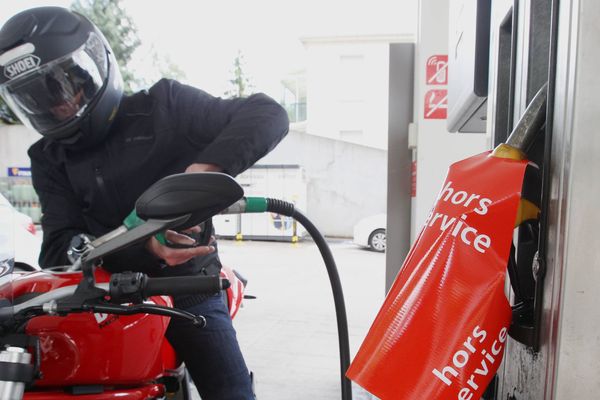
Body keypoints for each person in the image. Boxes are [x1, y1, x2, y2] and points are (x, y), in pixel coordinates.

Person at [0, 6, 289, 400]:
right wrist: (132, 244)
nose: (56, 105)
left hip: (189, 282)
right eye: (35, 97)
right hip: (101, 288)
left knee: (231, 393)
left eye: (60, 86)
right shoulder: (48, 156)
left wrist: (202, 171)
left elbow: (267, 113)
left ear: (90, 70)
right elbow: (57, 242)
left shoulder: (165, 105)